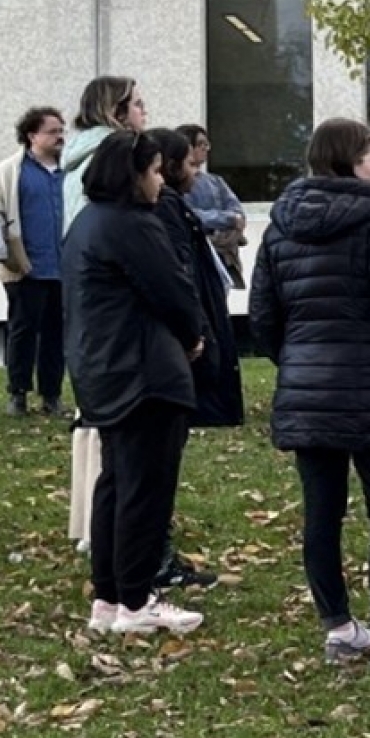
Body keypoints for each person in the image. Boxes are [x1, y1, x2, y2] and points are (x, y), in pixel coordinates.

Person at [250, 118, 370, 669]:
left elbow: (263, 314)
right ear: (351, 160)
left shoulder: (280, 225)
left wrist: (297, 361)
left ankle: (337, 627)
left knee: (321, 513)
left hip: (309, 383)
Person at [63, 130, 208, 635]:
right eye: (152, 171)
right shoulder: (132, 225)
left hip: (101, 370)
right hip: (143, 371)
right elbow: (173, 289)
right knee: (146, 489)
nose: (159, 180)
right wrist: (193, 336)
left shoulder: (86, 223)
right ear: (133, 175)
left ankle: (109, 596)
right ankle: (137, 598)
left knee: (116, 483)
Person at [145, 125, 241, 591]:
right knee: (156, 461)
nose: (195, 170)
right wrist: (194, 332)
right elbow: (175, 279)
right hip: (172, 349)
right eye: (188, 162)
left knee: (165, 458)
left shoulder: (173, 207)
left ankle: (157, 554)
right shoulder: (162, 212)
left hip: (187, 341)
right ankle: (153, 560)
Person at [0, 105, 69, 418]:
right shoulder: (11, 171)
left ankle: (52, 395)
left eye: (61, 131)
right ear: (32, 135)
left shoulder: (70, 172)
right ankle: (17, 394)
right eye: (52, 131)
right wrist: (6, 252)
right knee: (23, 330)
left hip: (62, 267)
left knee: (55, 334)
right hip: (26, 267)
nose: (60, 137)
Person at [60, 75, 146, 239]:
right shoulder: (114, 155)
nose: (144, 111)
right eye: (138, 104)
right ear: (116, 111)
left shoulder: (82, 153)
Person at [179, 124, 249, 290]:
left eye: (207, 144)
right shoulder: (178, 184)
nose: (206, 149)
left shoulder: (216, 181)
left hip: (225, 257)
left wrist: (231, 224)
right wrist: (226, 219)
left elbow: (238, 212)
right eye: (201, 144)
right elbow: (191, 215)